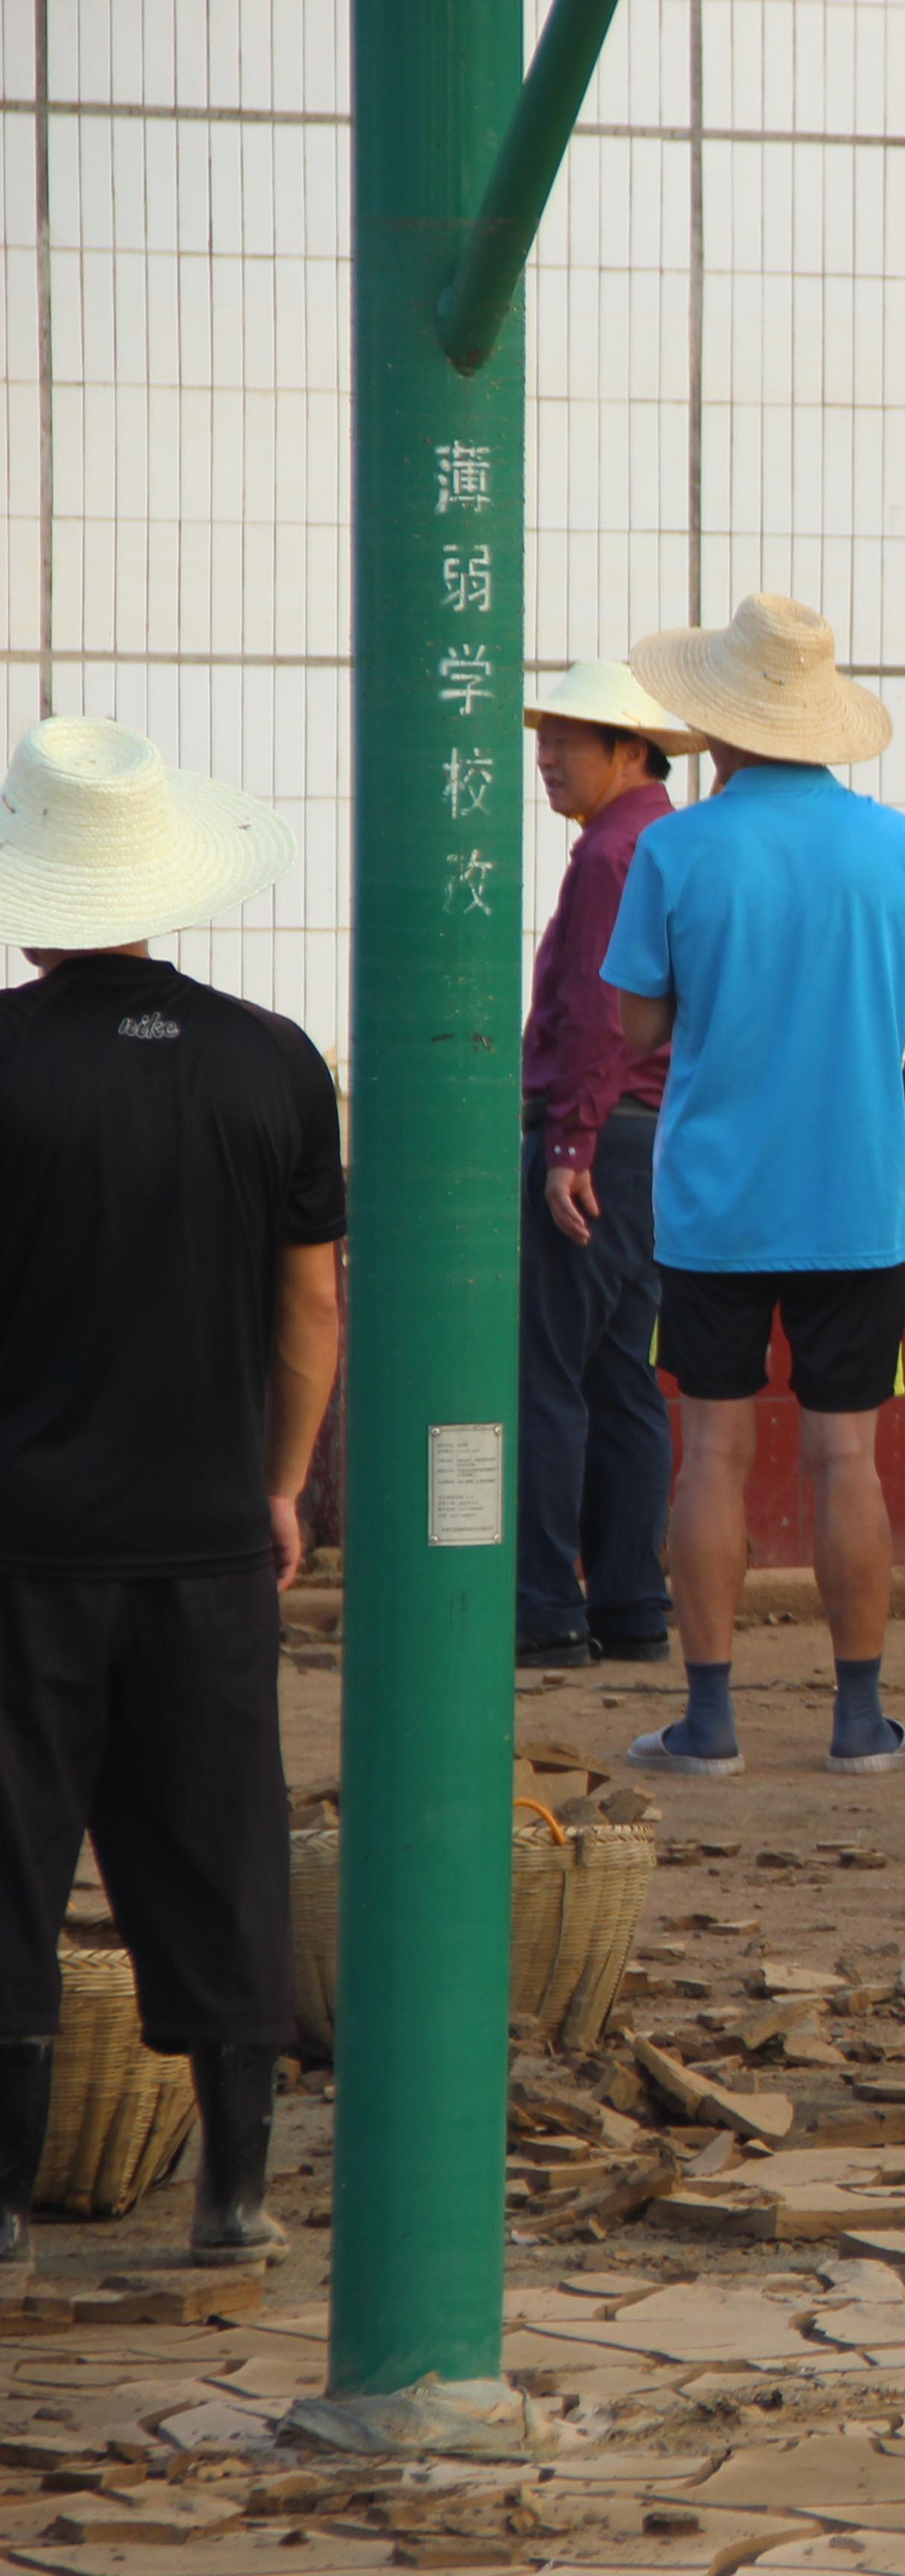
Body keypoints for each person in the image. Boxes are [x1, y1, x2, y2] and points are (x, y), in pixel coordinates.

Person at [0, 716, 341, 2267]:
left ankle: (5, 2206)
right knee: (218, 1846)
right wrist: (278, 1487)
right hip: (210, 1537)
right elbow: (313, 1306)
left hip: (28, 1545)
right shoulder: (273, 1059)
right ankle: (235, 2192)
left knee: (13, 1856)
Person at [606, 596, 905, 1781]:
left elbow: (639, 1019)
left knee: (710, 1452)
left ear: (721, 725)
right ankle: (859, 1722)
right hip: (856, 1211)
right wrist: (885, 1147)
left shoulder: (673, 848)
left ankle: (709, 1724)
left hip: (713, 1206)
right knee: (844, 1459)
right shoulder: (903, 847)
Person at [516, 660, 701, 1669]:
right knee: (625, 1374)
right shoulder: (672, 845)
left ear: (629, 751)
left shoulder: (606, 859)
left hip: (601, 1132)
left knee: (546, 1370)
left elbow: (597, 1012)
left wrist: (569, 1143)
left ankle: (545, 1607)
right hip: (659, 1138)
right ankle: (631, 1603)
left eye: (565, 742)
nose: (544, 759)